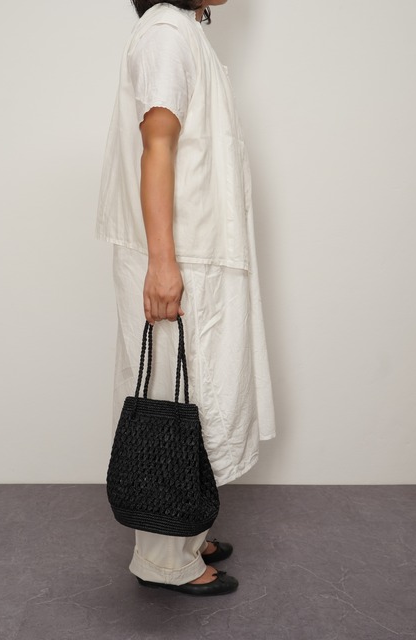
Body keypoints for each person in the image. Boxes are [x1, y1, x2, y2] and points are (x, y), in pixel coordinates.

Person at [96, 0, 276, 596]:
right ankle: (164, 559)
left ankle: (184, 530)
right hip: (179, 255)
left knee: (192, 394)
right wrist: (162, 262)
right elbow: (158, 144)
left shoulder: (182, 33)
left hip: (195, 251)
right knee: (168, 398)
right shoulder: (167, 35)